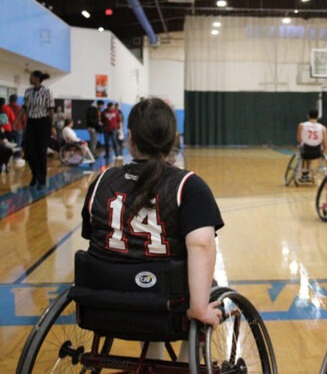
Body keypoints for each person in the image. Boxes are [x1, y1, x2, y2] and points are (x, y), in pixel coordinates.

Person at [81, 97, 225, 342]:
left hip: (104, 303)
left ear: (129, 137)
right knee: (207, 290)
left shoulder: (102, 181)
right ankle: (184, 363)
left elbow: (92, 235)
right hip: (168, 307)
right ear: (172, 140)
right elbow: (201, 244)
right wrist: (198, 308)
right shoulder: (188, 186)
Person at [14, 71, 55, 189]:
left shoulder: (47, 91)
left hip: (43, 123)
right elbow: (24, 108)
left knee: (41, 152)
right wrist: (17, 119)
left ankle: (42, 180)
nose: (29, 78)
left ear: (36, 78)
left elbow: (51, 109)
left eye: (31, 77)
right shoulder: (28, 92)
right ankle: (35, 174)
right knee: (29, 152)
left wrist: (52, 126)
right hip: (31, 123)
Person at [296, 107, 327, 182]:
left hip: (305, 152)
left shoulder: (301, 125)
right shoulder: (323, 128)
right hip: (317, 153)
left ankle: (304, 174)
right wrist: (322, 153)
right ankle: (306, 173)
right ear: (318, 116)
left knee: (304, 148)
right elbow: (326, 145)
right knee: (311, 149)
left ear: (308, 115)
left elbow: (299, 139)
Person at [8, 94, 25, 159]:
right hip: (19, 129)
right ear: (16, 100)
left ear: (10, 100)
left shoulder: (6, 107)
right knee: (18, 145)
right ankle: (17, 158)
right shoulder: (20, 108)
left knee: (9, 144)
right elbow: (23, 119)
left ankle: (9, 158)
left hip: (9, 129)